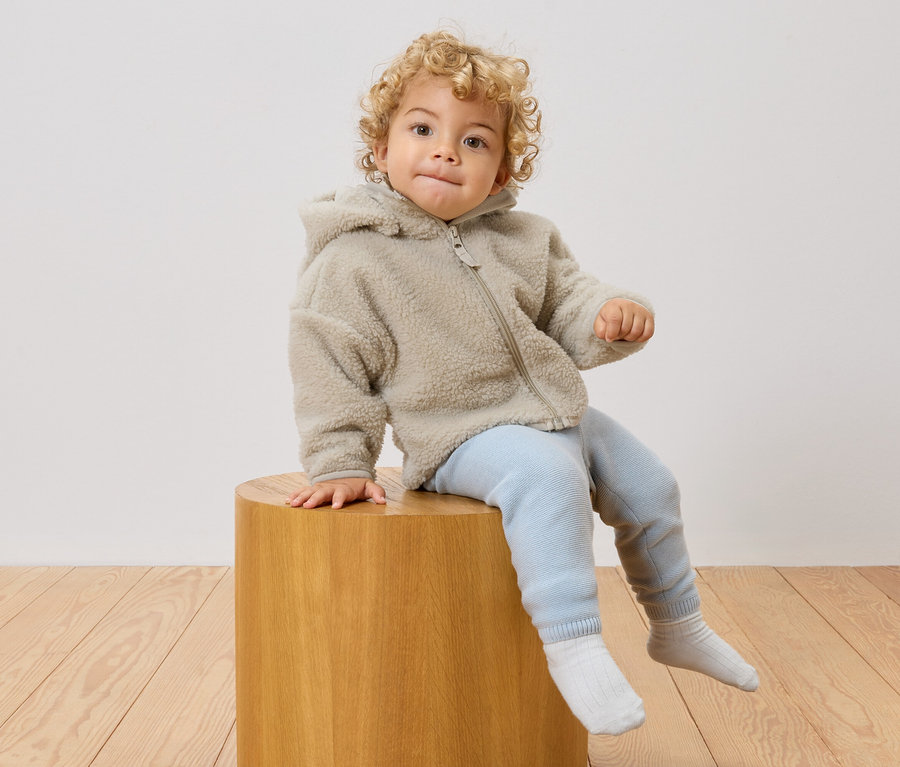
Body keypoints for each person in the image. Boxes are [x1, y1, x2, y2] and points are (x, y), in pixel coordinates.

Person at [286, 30, 758, 736]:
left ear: (502, 171)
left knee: (650, 481)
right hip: (459, 435)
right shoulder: (352, 261)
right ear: (381, 150)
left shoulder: (524, 237)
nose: (447, 150)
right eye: (422, 129)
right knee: (546, 477)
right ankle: (575, 645)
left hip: (555, 410)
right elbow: (329, 364)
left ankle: (677, 620)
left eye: (475, 141)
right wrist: (341, 462)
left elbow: (568, 300)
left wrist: (608, 316)